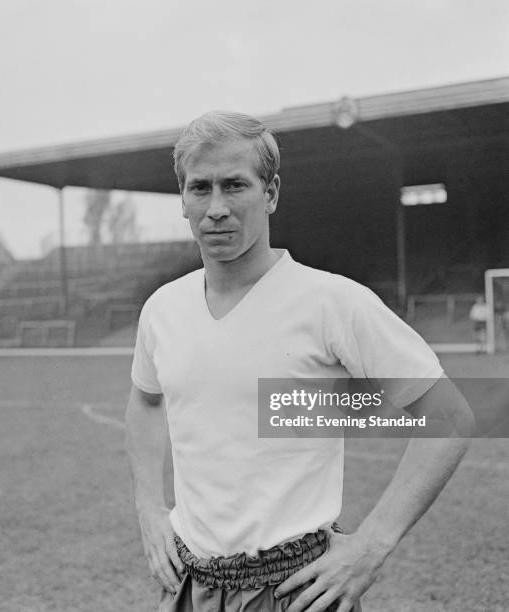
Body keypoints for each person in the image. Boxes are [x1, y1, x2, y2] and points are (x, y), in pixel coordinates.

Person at [126, 111, 473, 612]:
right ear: (182, 199)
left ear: (271, 193)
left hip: (297, 590)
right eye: (200, 188)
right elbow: (144, 403)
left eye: (235, 185)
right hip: (189, 584)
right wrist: (148, 507)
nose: (216, 208)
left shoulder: (331, 302)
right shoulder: (161, 310)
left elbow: (450, 415)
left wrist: (373, 544)